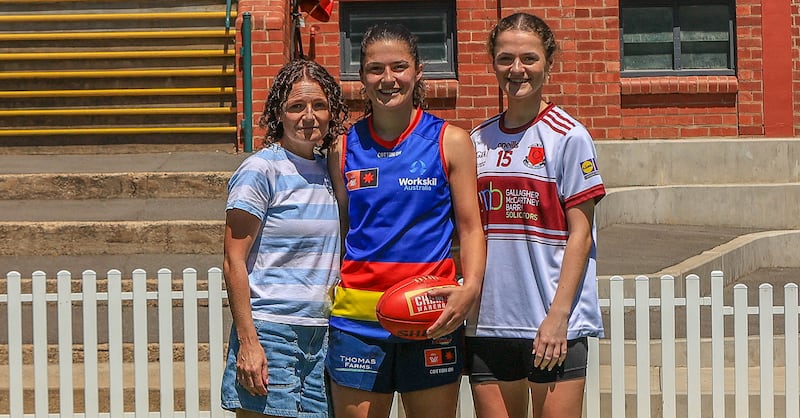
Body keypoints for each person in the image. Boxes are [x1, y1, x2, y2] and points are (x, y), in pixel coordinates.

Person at [324, 23, 486, 418]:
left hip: (431, 317)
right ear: (361, 77)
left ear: (418, 72)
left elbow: (470, 227)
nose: (388, 79)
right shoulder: (342, 146)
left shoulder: (450, 141)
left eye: (399, 67)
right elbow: (345, 229)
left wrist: (471, 288)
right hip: (358, 323)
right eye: (376, 69)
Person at [466, 13, 606, 418]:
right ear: (493, 62)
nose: (517, 69)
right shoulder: (478, 140)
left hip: (551, 324)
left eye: (528, 58)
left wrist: (558, 317)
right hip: (489, 325)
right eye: (505, 58)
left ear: (549, 61)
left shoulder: (570, 136)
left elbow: (580, 236)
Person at [220, 58, 349, 418]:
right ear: (280, 113)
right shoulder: (261, 170)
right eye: (296, 106)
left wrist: (338, 175)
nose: (308, 116)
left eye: (319, 105)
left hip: (322, 334)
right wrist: (249, 342)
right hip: (271, 332)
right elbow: (233, 261)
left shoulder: (329, 171)